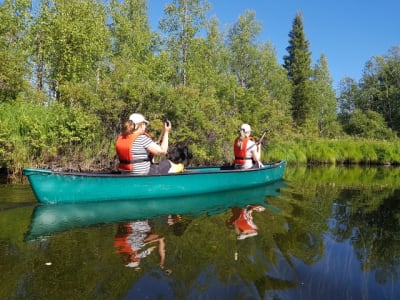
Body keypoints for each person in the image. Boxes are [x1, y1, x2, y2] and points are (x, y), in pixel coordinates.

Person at [115, 113, 184, 175]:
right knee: (167, 163)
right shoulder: (142, 138)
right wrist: (166, 132)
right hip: (143, 173)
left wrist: (153, 144)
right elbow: (163, 151)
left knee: (155, 164)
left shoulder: (123, 138)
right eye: (145, 124)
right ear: (141, 125)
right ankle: (180, 167)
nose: (145, 126)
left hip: (126, 173)